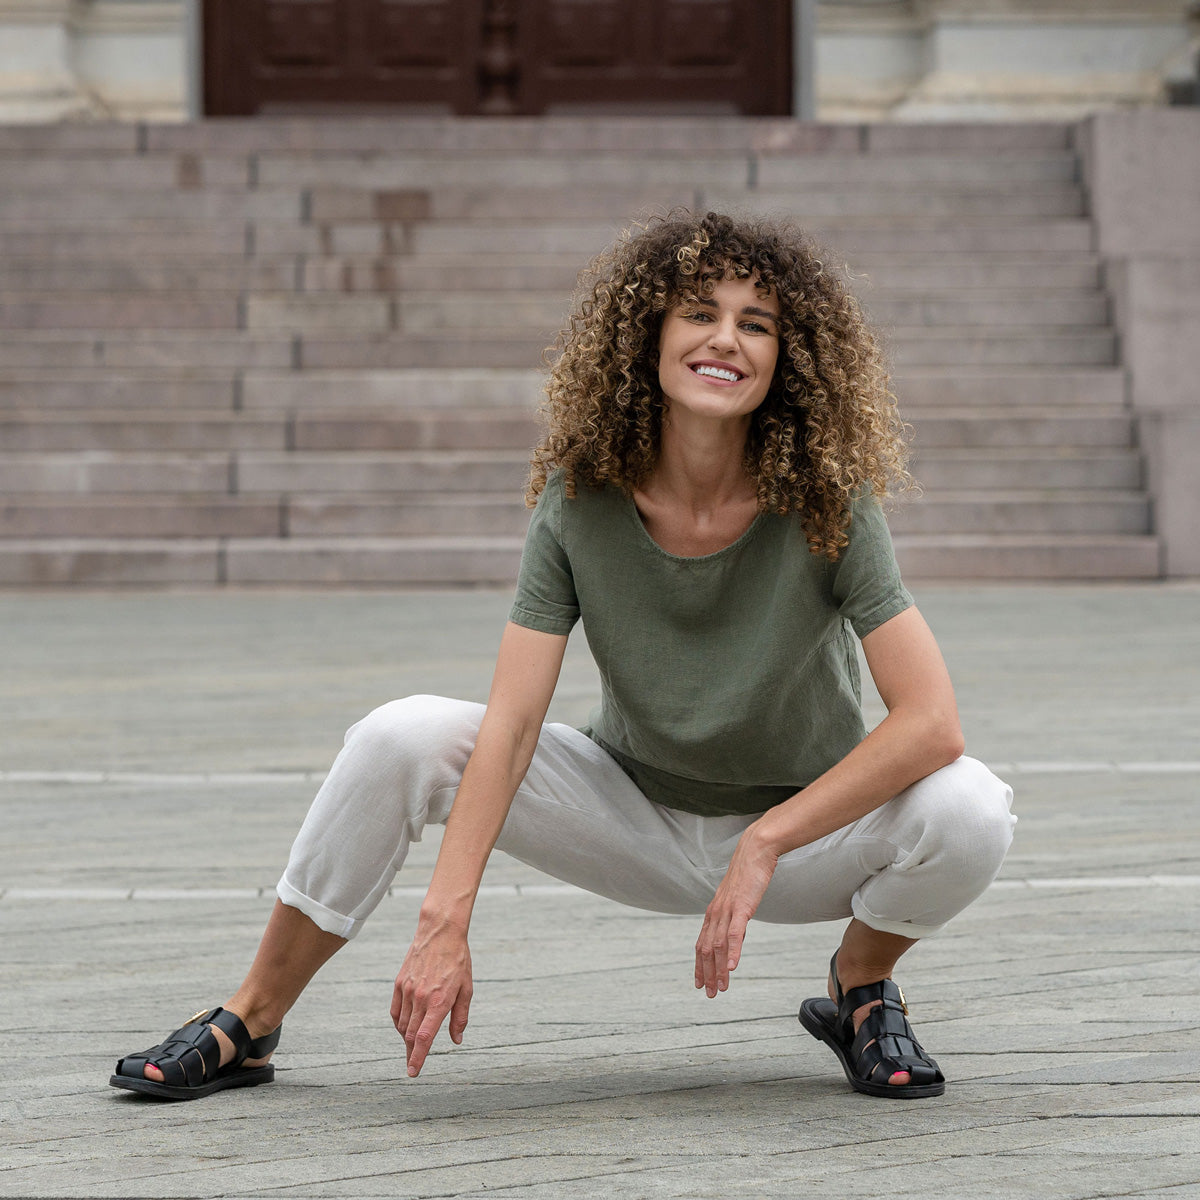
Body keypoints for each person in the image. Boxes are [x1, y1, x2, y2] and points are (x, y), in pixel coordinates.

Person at [110, 210, 1015, 1103]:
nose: (726, 339)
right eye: (699, 312)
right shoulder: (580, 499)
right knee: (403, 735)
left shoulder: (829, 501)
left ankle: (859, 986)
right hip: (627, 809)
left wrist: (768, 841)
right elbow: (509, 727)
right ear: (649, 337)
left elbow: (931, 723)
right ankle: (253, 1018)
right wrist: (444, 918)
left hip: (799, 838)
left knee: (972, 806)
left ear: (787, 359)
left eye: (757, 323)